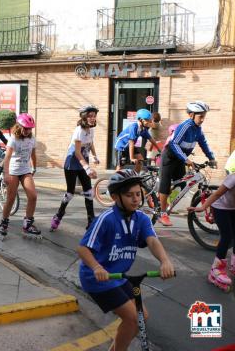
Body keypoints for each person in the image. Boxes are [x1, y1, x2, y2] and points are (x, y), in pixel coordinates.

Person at [77, 170, 174, 351]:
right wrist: (97, 267)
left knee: (142, 317)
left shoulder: (142, 218)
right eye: (129, 195)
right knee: (132, 319)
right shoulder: (106, 219)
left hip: (119, 277)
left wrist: (165, 261)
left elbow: (152, 241)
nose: (135, 199)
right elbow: (83, 248)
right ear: (115, 197)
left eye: (138, 194)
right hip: (98, 278)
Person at [158, 101, 217, 226]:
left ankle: (166, 201)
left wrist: (211, 158)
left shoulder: (198, 130)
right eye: (200, 116)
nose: (202, 119)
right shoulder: (185, 126)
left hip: (180, 158)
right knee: (165, 183)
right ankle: (162, 213)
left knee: (182, 185)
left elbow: (204, 144)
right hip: (169, 157)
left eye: (204, 116)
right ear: (191, 115)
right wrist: (187, 160)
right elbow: (173, 144)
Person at [51, 105, 100, 232]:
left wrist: (94, 156)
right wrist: (88, 168)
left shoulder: (91, 130)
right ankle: (58, 215)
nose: (92, 118)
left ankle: (91, 220)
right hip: (72, 162)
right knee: (70, 193)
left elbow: (91, 143)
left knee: (89, 192)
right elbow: (77, 153)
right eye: (90, 116)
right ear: (84, 117)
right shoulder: (79, 130)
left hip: (83, 161)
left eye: (94, 116)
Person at [188, 167, 235, 292]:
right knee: (227, 236)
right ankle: (216, 270)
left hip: (233, 208)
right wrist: (203, 207)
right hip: (220, 207)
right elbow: (217, 193)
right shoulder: (233, 178)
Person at [0, 113, 39, 239]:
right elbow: (7, 157)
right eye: (26, 128)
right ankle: (4, 223)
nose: (28, 131)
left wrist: (34, 167)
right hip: (13, 171)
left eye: (30, 129)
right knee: (10, 199)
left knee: (33, 196)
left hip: (25, 170)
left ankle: (27, 225)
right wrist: (5, 173)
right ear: (19, 126)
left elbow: (33, 154)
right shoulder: (13, 139)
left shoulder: (32, 139)